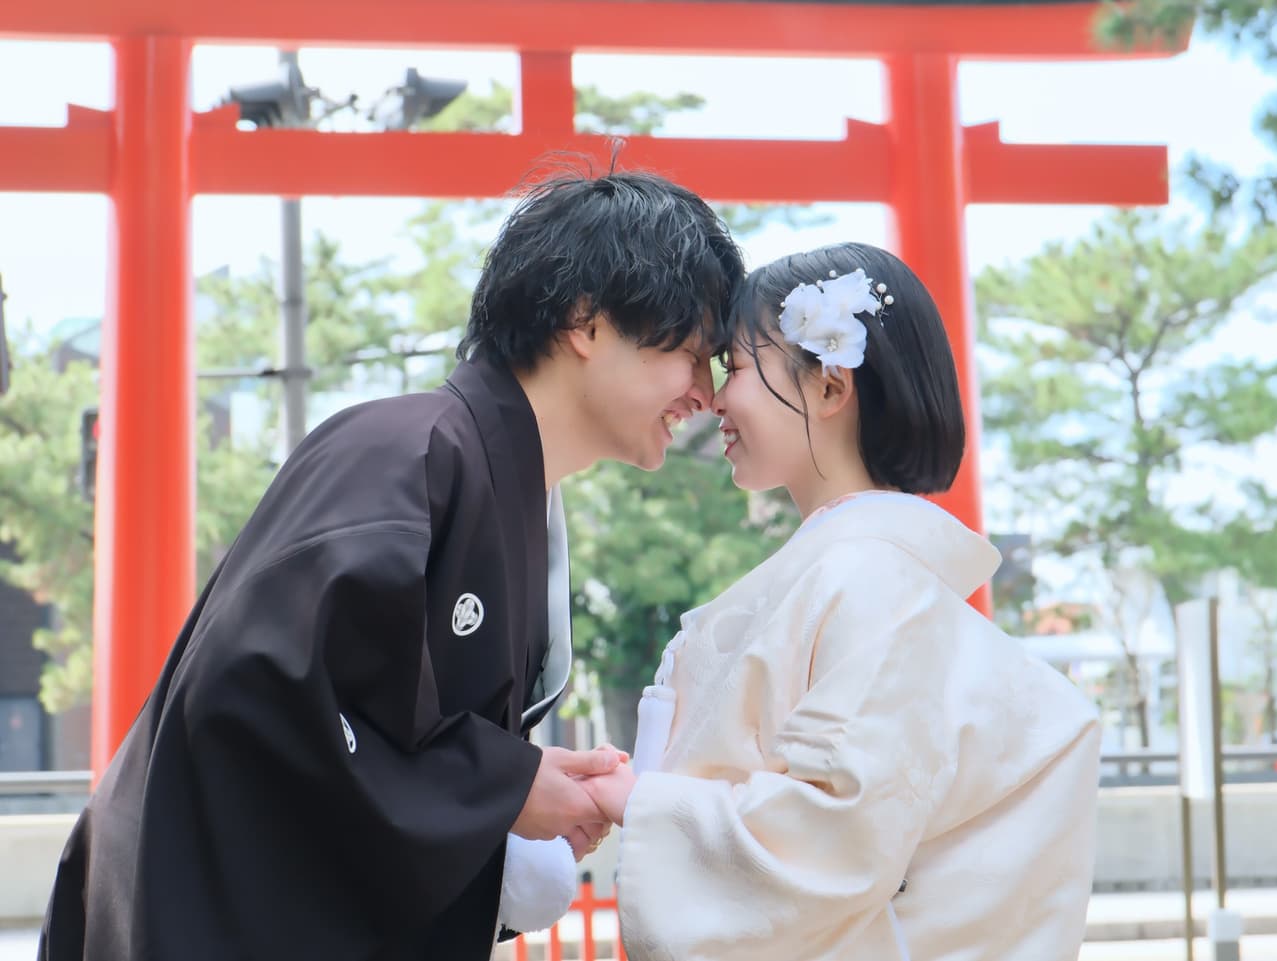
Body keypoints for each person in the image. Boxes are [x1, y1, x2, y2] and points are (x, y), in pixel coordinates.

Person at [40, 169, 746, 961]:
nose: (706, 395)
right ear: (587, 321)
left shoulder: (495, 485)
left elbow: (391, 732)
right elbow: (261, 688)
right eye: (691, 355)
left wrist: (518, 784)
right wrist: (504, 786)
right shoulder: (404, 451)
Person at [584, 243, 1103, 960]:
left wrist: (642, 802)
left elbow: (836, 837)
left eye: (735, 366)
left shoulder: (871, 581)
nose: (712, 398)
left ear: (831, 386)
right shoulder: (861, 575)